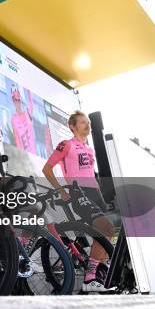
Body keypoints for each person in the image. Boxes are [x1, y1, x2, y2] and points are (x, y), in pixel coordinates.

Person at [42, 110, 114, 291]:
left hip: (95, 193)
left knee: (108, 233)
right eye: (82, 122)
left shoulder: (89, 149)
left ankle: (94, 273)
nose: (87, 125)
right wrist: (61, 191)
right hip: (79, 192)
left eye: (88, 122)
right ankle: (89, 279)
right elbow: (47, 168)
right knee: (105, 228)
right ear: (72, 127)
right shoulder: (66, 144)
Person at [11, 85, 37, 155]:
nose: (18, 102)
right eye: (16, 100)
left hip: (33, 153)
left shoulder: (27, 113)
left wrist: (29, 90)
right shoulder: (13, 118)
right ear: (13, 101)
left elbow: (31, 103)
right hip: (24, 154)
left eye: (19, 100)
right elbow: (16, 137)